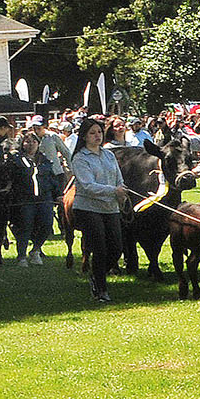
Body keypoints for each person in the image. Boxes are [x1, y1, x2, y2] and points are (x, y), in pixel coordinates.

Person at [68, 115, 133, 301]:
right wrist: (115, 190)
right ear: (84, 136)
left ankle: (97, 276)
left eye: (99, 132)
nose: (97, 136)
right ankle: (101, 289)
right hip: (88, 208)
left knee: (116, 248)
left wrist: (121, 190)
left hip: (110, 207)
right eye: (92, 133)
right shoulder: (80, 159)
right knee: (100, 248)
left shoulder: (108, 154)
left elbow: (118, 178)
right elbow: (87, 185)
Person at [11, 127, 62, 265]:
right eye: (27, 141)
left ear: (38, 144)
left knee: (47, 225)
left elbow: (52, 179)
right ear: (22, 144)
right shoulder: (16, 161)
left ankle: (36, 250)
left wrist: (58, 194)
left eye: (34, 141)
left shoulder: (45, 161)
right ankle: (21, 256)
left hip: (44, 198)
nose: (31, 144)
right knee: (25, 226)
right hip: (25, 200)